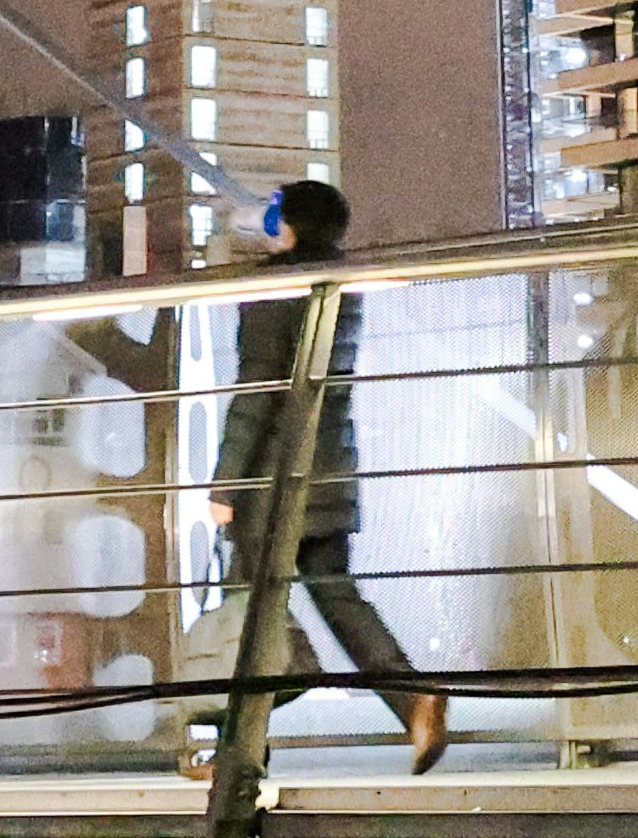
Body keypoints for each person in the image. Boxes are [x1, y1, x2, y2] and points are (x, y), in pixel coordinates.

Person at [80, 175, 451, 770]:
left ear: (293, 222)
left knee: (245, 618)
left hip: (274, 483)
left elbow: (255, 395)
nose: (268, 218)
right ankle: (413, 701)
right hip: (329, 468)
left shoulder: (276, 287)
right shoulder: (343, 284)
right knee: (335, 596)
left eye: (276, 210)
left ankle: (236, 755)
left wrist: (227, 486)